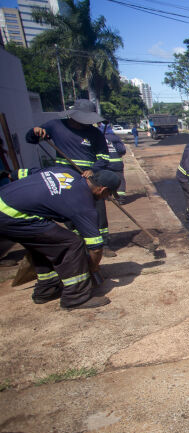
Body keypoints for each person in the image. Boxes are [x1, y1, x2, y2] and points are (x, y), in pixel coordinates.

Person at [0, 168, 120, 309]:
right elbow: (96, 247)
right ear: (103, 189)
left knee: (46, 243)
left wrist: (10, 174)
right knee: (71, 244)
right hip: (10, 216)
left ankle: (46, 289)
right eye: (108, 194)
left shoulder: (65, 172)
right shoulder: (83, 203)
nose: (106, 198)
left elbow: (27, 172)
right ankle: (76, 297)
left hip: (6, 202)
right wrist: (92, 267)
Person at [26, 99, 114, 256]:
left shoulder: (95, 134)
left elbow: (103, 158)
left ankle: (103, 242)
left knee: (97, 208)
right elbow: (31, 139)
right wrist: (35, 131)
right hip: (64, 176)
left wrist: (93, 170)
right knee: (67, 208)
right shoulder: (55, 126)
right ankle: (80, 238)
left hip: (89, 177)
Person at [102, 124, 127, 198]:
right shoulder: (115, 138)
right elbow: (122, 150)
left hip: (104, 164)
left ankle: (107, 196)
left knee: (106, 179)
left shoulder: (99, 138)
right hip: (117, 163)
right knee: (120, 179)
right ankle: (120, 197)